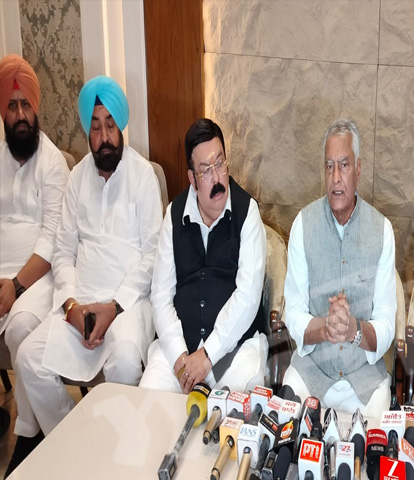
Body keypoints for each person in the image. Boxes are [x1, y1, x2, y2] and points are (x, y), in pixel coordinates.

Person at [6, 75, 162, 475]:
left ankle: (120, 458)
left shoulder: (143, 176)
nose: (104, 137)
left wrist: (113, 307)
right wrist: (71, 305)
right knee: (29, 358)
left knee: (125, 363)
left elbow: (152, 256)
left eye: (110, 125)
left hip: (127, 306)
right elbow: (62, 252)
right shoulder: (77, 179)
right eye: (95, 127)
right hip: (79, 304)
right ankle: (75, 449)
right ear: (87, 131)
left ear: (121, 125)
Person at [139, 118, 268, 394]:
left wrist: (208, 355)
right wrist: (180, 359)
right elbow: (160, 295)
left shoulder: (247, 213)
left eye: (219, 163)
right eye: (205, 171)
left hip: (233, 349)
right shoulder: (174, 215)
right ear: (192, 179)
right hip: (181, 349)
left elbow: (248, 297)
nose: (217, 178)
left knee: (243, 394)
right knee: (149, 399)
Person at [282, 119, 397, 416]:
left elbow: (386, 324)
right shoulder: (303, 224)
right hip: (311, 371)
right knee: (284, 417)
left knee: (376, 433)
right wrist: (325, 328)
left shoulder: (382, 230)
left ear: (358, 169)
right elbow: (293, 312)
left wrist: (353, 330)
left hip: (363, 380)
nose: (336, 178)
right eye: (329, 166)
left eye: (344, 166)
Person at [0, 54, 69, 440]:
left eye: (26, 104)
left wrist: (15, 285)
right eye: (12, 106)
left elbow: (53, 237)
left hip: (37, 277)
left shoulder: (53, 163)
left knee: (22, 328)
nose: (21, 114)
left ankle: (30, 431)